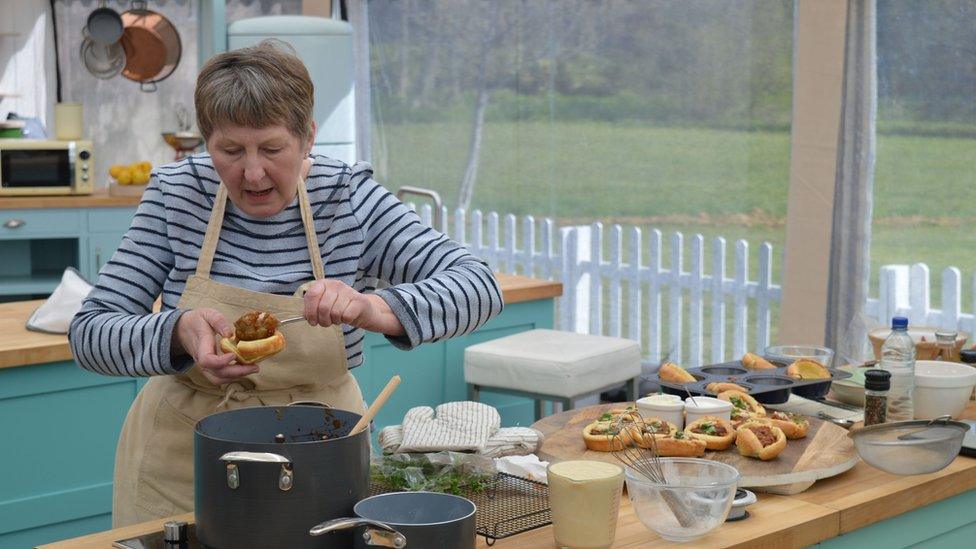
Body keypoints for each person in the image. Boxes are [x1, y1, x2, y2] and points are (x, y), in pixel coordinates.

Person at [68, 40, 503, 527]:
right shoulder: (176, 194)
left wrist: (371, 308)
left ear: (308, 137)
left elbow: (480, 286)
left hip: (324, 455)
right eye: (229, 150)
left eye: (272, 149)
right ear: (206, 141)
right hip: (183, 464)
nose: (252, 172)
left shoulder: (347, 198)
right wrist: (176, 333)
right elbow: (89, 332)